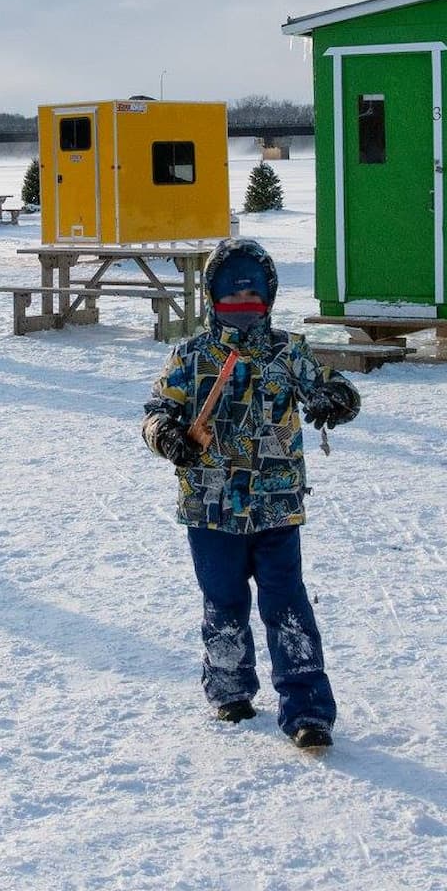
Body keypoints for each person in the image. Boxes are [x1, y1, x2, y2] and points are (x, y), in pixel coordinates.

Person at [140, 238, 361, 752]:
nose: (243, 306)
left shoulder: (288, 352)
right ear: (212, 297)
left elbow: (336, 387)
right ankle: (230, 689)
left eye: (253, 295)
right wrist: (169, 436)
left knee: (287, 604)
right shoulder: (191, 356)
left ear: (269, 297)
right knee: (224, 602)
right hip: (209, 506)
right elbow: (154, 412)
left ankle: (307, 709)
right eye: (231, 295)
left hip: (276, 504)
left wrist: (335, 398)